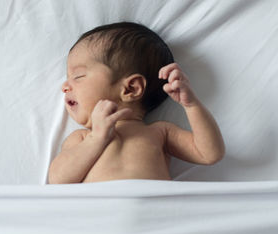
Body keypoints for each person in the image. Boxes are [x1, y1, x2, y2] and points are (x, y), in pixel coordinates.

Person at [48, 22, 225, 184]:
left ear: (131, 88)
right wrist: (97, 138)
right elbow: (58, 179)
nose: (65, 86)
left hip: (156, 216)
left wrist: (191, 105)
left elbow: (209, 154)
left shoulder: (160, 133)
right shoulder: (82, 138)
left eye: (78, 76)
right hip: (100, 215)